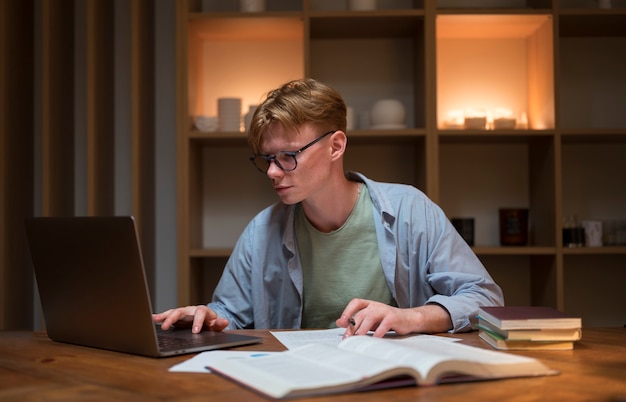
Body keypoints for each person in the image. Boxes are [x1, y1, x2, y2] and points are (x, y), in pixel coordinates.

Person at [154, 78, 504, 338]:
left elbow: (484, 298)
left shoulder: (411, 210)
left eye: (288, 156)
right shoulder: (262, 231)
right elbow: (229, 312)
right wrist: (205, 317)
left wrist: (413, 317)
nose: (273, 172)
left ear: (335, 146)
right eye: (267, 159)